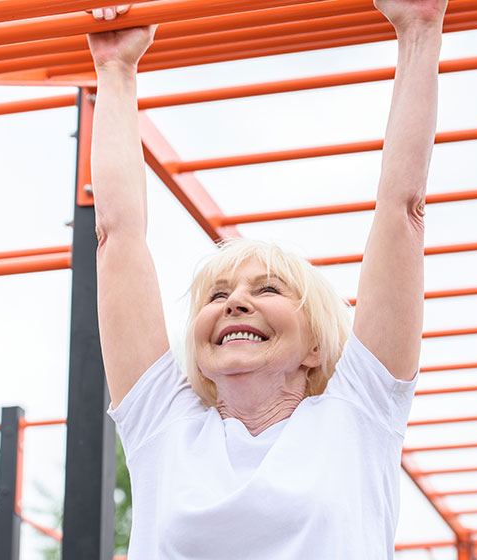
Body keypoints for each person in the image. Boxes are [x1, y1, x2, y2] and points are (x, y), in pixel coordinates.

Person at [88, 0, 447, 557]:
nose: (235, 303)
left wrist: (420, 28)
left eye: (268, 290)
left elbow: (403, 210)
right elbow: (116, 236)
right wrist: (115, 70)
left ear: (313, 345)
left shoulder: (358, 416)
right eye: (218, 295)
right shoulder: (165, 428)